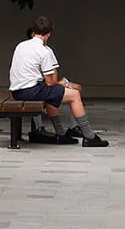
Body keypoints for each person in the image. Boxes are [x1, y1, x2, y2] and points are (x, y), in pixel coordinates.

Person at [9, 14, 107, 146]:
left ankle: (61, 134)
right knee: (74, 94)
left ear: (33, 31)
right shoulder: (44, 51)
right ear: (49, 34)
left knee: (53, 93)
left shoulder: (21, 45)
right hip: (31, 90)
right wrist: (61, 82)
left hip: (17, 91)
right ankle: (89, 137)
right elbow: (51, 81)